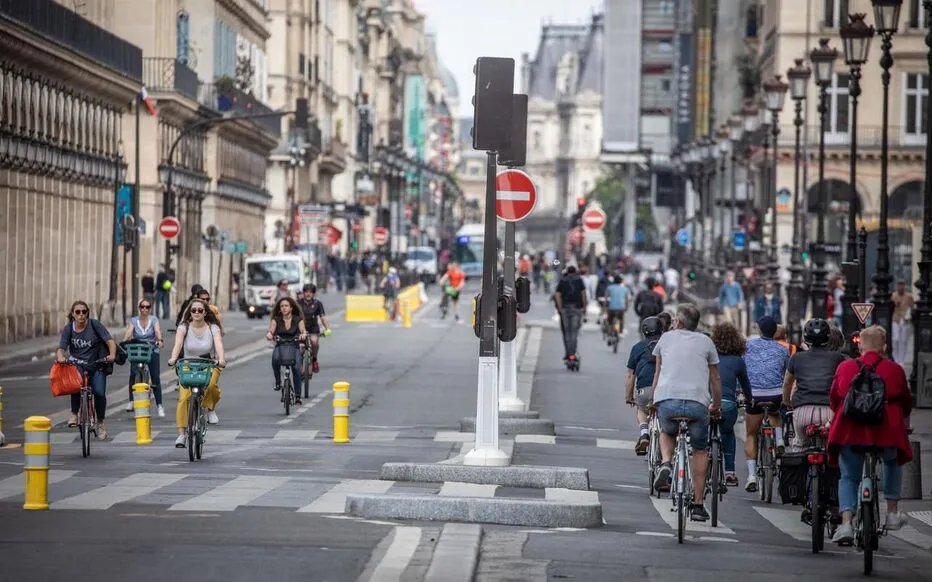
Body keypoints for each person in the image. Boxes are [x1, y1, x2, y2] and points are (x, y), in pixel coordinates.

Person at [827, 325, 912, 543]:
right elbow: (906, 402)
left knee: (848, 476)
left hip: (851, 430)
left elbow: (835, 399)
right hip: (886, 430)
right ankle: (892, 512)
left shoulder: (846, 367)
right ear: (883, 347)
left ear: (860, 346)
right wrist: (905, 425)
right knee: (892, 462)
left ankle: (846, 523)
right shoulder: (894, 369)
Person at [650, 303, 722, 521]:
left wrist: (654, 400)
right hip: (697, 404)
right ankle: (698, 505)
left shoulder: (665, 339)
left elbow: (658, 373)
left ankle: (666, 464)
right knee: (700, 451)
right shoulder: (706, 342)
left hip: (667, 400)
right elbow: (715, 379)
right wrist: (716, 405)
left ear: (678, 322)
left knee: (667, 430)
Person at [167, 298, 225, 448]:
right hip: (188, 365)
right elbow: (177, 345)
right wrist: (173, 358)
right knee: (183, 397)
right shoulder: (183, 328)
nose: (197, 313)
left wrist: (221, 359)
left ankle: (210, 408)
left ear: (205, 312)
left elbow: (218, 345)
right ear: (190, 313)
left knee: (211, 385)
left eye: (200, 310)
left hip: (209, 364)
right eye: (194, 310)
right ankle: (181, 434)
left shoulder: (213, 328)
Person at [781, 318, 846, 450]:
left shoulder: (797, 357)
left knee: (800, 444)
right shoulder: (837, 358)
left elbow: (787, 383)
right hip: (829, 412)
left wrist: (786, 402)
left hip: (803, 411)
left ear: (805, 338)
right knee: (833, 448)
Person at [742, 316, 790, 492]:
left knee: (751, 434)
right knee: (775, 414)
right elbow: (787, 372)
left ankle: (752, 475)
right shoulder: (783, 350)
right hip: (775, 395)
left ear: (760, 330)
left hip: (754, 395)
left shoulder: (747, 346)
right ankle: (778, 440)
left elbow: (743, 369)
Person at [57, 301, 117, 439]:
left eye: (84, 312)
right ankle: (74, 413)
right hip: (77, 364)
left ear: (87, 313)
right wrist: (61, 357)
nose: (81, 315)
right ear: (73, 314)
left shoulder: (94, 325)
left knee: (99, 392)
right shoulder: (69, 329)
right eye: (77, 312)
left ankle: (100, 422)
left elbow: (110, 341)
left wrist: (112, 355)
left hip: (96, 364)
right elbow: (61, 348)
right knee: (75, 384)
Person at [710, 322, 752, 487]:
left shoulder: (709, 358)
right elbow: (746, 385)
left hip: (707, 403)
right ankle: (730, 471)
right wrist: (750, 400)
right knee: (728, 433)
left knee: (704, 433)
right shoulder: (738, 361)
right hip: (728, 405)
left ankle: (705, 458)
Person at [625, 316, 665, 454]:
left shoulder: (637, 347)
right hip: (665, 391)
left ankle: (644, 433)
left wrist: (629, 396)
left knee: (641, 409)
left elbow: (631, 376)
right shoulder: (668, 345)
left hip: (644, 391)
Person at [121, 300, 165, 417]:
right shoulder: (134, 320)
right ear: (139, 308)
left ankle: (160, 405)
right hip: (137, 351)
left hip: (151, 349)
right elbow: (129, 333)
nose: (144, 309)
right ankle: (131, 401)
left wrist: (159, 341)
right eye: (142, 307)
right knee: (133, 374)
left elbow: (157, 331)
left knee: (155, 377)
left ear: (150, 308)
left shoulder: (154, 320)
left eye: (147, 307)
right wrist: (124, 342)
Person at [265, 297, 307, 404]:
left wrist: (303, 335)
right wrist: (269, 334)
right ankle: (278, 382)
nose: (284, 308)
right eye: (282, 306)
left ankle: (298, 396)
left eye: (286, 306)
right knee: (275, 360)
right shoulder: (276, 319)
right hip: (280, 345)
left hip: (294, 346)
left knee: (296, 369)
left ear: (291, 308)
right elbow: (271, 330)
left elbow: (303, 330)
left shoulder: (298, 319)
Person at [554, 265, 587, 361]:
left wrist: (560, 308)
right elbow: (583, 294)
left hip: (565, 308)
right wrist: (584, 307)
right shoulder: (579, 280)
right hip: (576, 308)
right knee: (574, 332)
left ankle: (568, 353)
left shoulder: (563, 280)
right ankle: (573, 353)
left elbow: (557, 294)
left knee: (566, 332)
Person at [297, 284, 330, 373]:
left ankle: (314, 360)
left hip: (313, 328)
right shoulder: (298, 303)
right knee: (299, 346)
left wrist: (327, 328)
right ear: (303, 293)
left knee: (314, 342)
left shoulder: (317, 303)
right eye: (306, 292)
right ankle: (299, 363)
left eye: (311, 292)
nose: (308, 294)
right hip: (300, 329)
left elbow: (322, 317)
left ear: (314, 293)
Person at [892, 280, 915, 365]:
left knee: (903, 341)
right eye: (899, 285)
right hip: (895, 320)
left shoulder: (908, 296)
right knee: (895, 340)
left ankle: (901, 360)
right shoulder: (893, 296)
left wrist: (910, 315)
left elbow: (912, 308)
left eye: (902, 285)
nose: (900, 287)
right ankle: (896, 358)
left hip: (905, 320)